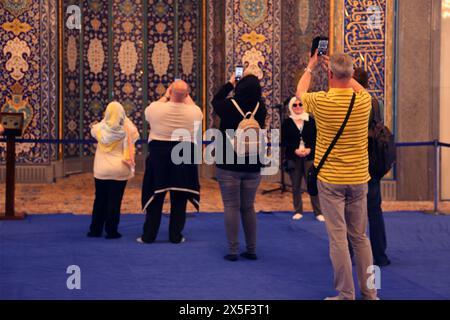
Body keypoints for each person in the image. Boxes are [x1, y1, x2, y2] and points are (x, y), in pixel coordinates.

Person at [296, 52, 378, 300]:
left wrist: (312, 67)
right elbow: (358, 87)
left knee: (338, 239)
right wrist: (343, 71)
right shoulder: (365, 101)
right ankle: (371, 293)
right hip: (359, 178)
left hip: (331, 180)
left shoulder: (322, 101)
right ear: (352, 75)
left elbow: (300, 92)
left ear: (329, 74)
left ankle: (346, 293)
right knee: (361, 238)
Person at [138, 80, 203, 244]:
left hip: (159, 155)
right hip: (183, 155)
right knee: (179, 197)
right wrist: (184, 96)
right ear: (187, 95)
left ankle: (149, 236)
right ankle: (175, 236)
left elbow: (147, 113)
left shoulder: (155, 108)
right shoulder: (195, 111)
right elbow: (195, 110)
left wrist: (166, 96)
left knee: (156, 196)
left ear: (170, 92)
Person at [212, 74, 267, 262]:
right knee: (248, 207)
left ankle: (233, 250)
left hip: (229, 164)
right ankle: (251, 249)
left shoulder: (228, 106)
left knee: (231, 206)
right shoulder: (261, 108)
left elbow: (215, 100)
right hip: (253, 165)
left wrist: (229, 83)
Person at [350, 68, 391, 267]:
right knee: (374, 209)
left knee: (349, 211)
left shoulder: (351, 103)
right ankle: (380, 255)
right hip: (374, 161)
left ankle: (349, 251)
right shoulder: (377, 103)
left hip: (355, 162)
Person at [88, 101, 140, 239]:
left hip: (101, 170)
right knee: (115, 201)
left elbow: (96, 127)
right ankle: (112, 231)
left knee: (100, 199)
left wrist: (107, 119)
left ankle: (95, 230)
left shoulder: (98, 128)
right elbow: (135, 135)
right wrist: (124, 118)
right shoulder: (129, 129)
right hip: (120, 170)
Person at [281, 97, 324, 222]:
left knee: (312, 185)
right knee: (296, 185)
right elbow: (284, 141)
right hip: (294, 158)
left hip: (309, 157)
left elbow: (318, 139)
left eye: (300, 104)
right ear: (291, 107)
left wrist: (310, 149)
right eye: (295, 105)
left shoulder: (311, 121)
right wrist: (295, 149)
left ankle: (318, 212)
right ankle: (298, 210)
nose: (298, 107)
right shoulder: (287, 123)